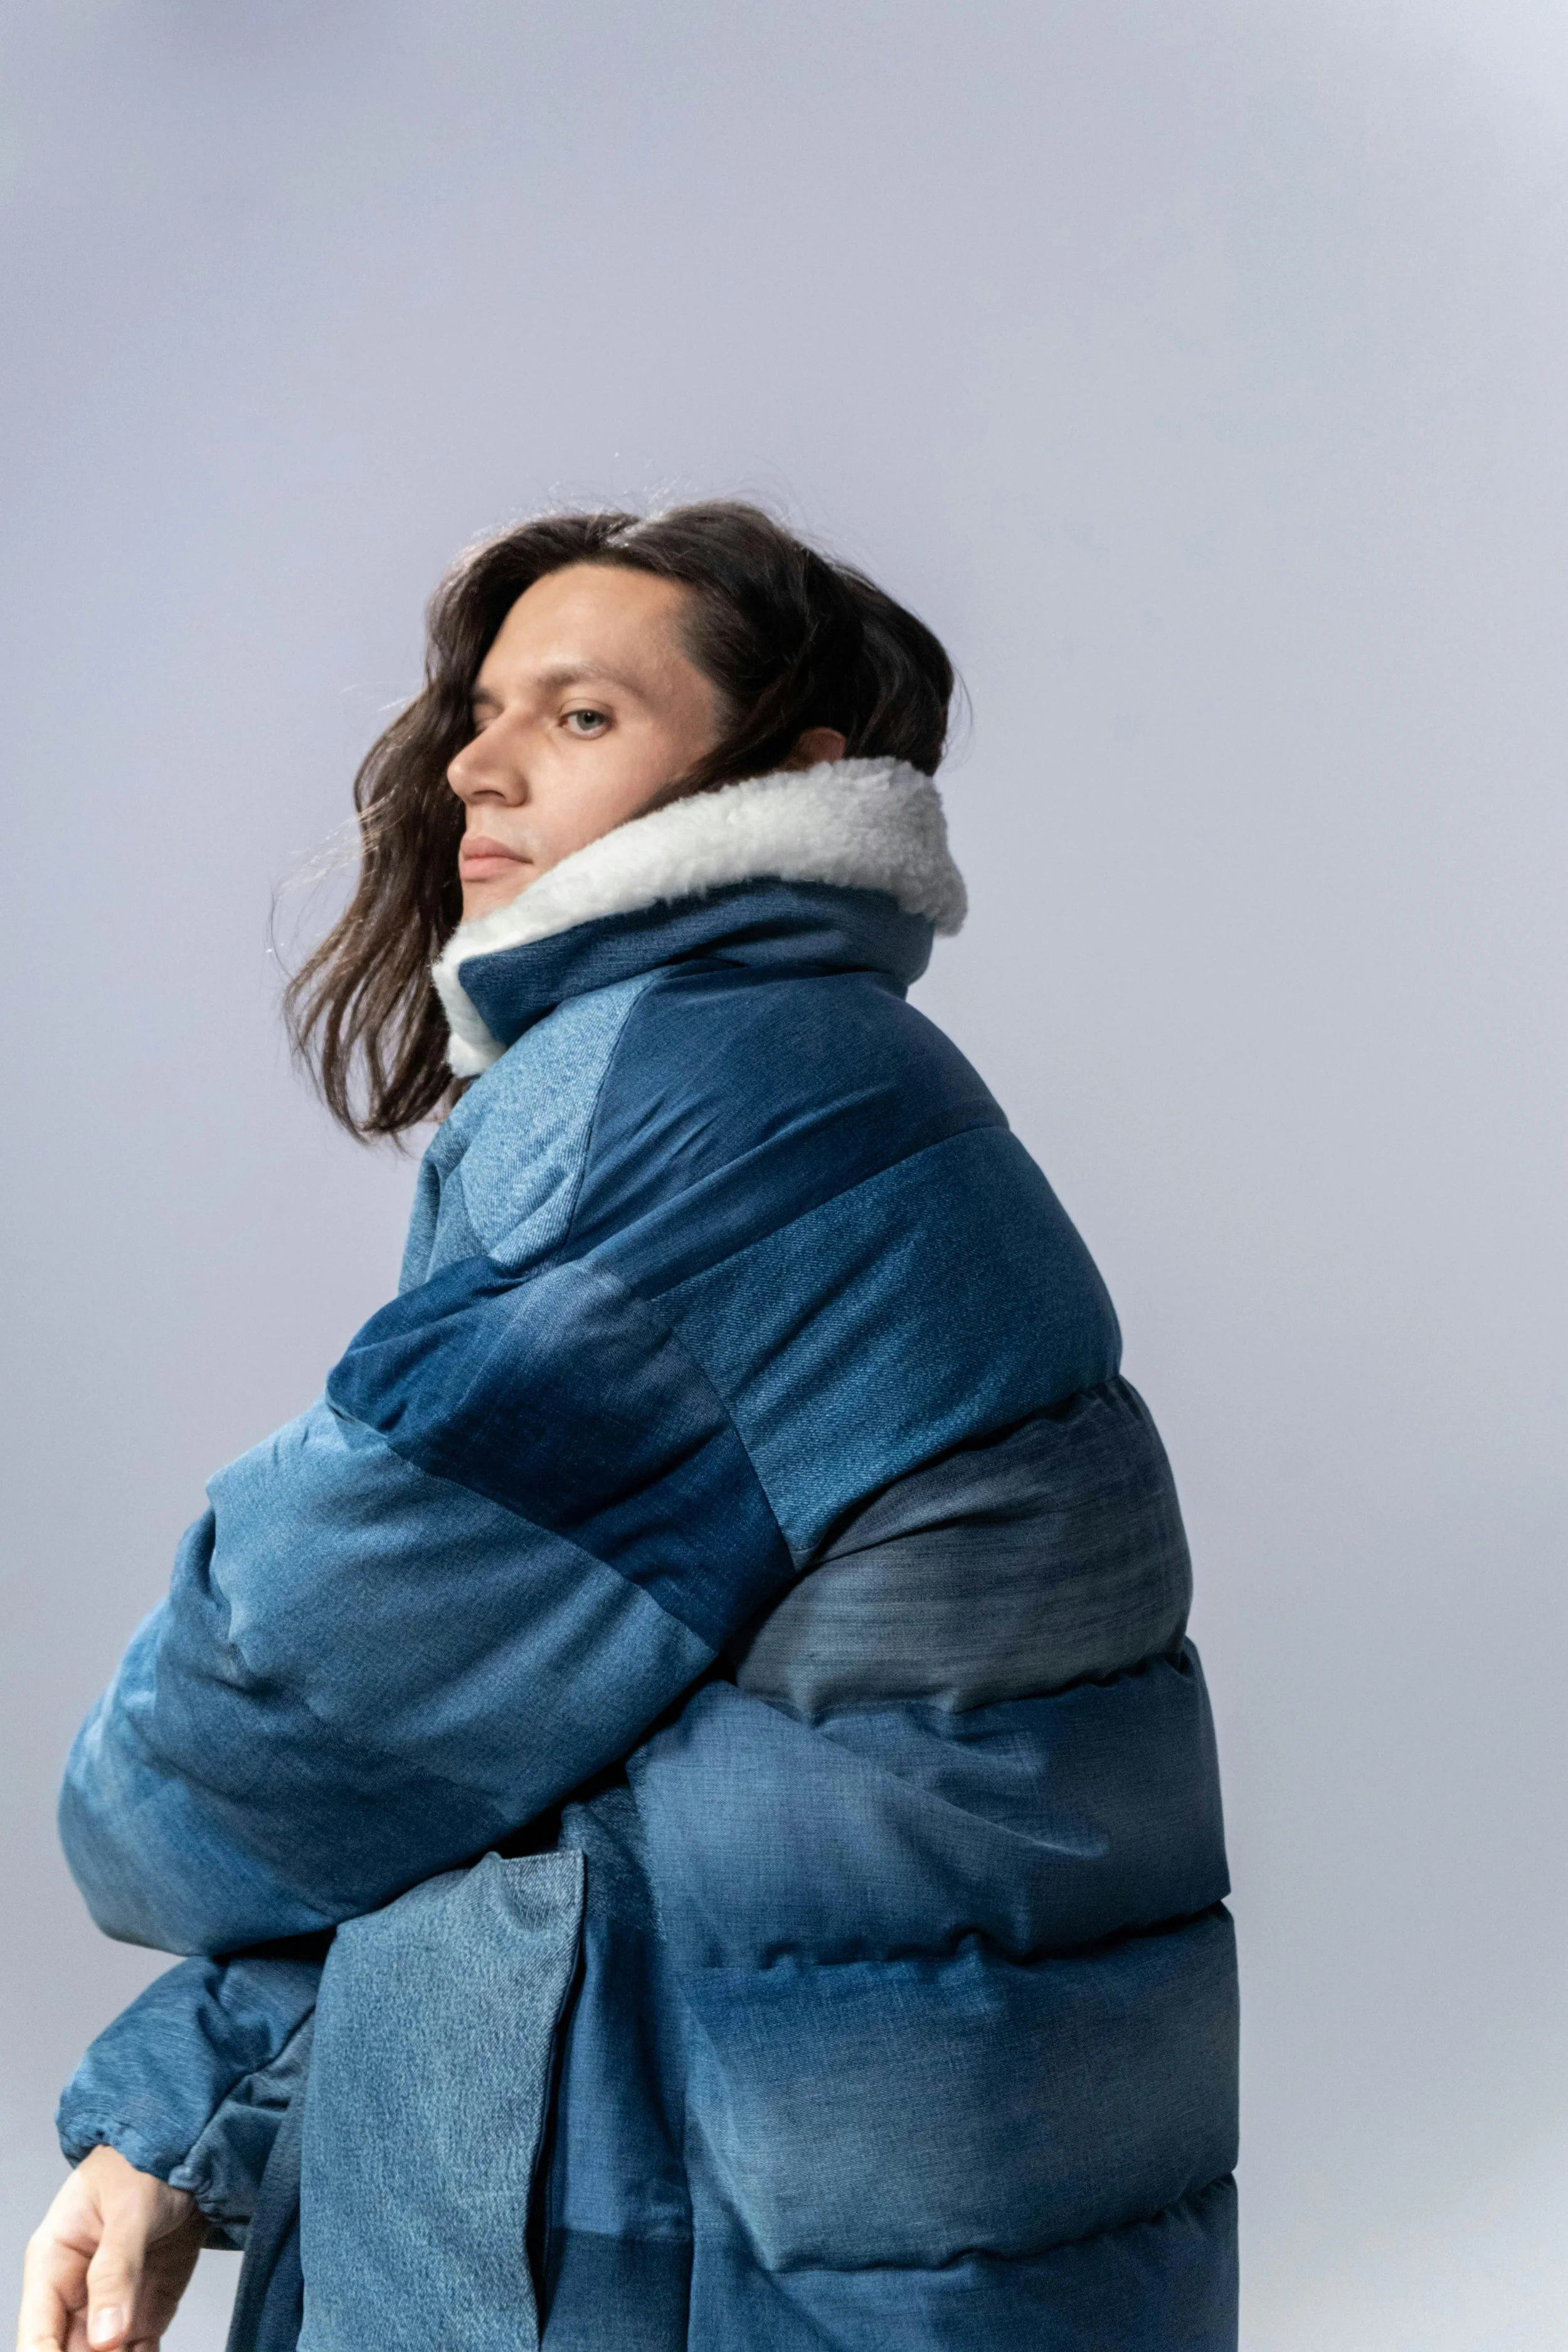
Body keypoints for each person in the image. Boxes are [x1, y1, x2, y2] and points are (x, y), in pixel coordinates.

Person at [18, 502, 1238, 2352]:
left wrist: (134, 1857)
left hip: (715, 2242)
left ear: (792, 769)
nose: (477, 763)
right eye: (483, 710)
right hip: (861, 2210)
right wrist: (189, 2097)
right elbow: (540, 1746)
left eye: (581, 716)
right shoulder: (810, 1065)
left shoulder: (720, 1104)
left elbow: (291, 1714)